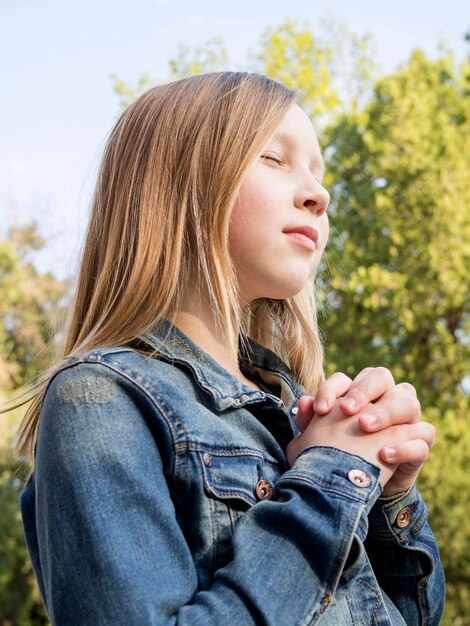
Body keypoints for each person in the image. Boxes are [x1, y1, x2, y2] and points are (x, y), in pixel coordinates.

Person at [17, 72, 445, 625]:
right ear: (176, 185)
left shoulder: (294, 415)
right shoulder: (97, 397)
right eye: (274, 157)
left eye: (318, 172)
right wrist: (333, 477)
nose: (320, 193)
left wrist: (387, 494)